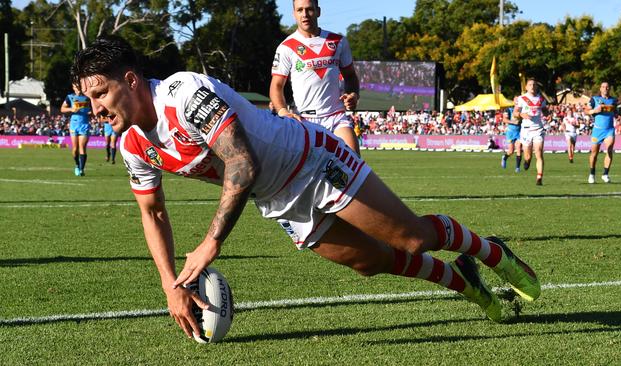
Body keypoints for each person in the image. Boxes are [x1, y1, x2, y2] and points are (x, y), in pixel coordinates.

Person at [72, 36, 541, 340]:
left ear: (129, 81)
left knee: (412, 238)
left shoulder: (183, 92)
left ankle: (491, 252)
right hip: (279, 200)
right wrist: (171, 286)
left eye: (98, 94)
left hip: (311, 160)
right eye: (86, 99)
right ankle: (470, 287)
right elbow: (152, 213)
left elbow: (242, 162)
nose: (93, 108)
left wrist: (210, 244)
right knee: (372, 263)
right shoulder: (134, 145)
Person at [269, 0, 360, 154]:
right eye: (299, 10)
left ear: (318, 11)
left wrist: (353, 95)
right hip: (305, 121)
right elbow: (276, 86)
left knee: (354, 166)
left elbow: (350, 76)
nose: (304, 14)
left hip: (336, 117)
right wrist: (283, 111)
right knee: (307, 176)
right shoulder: (286, 47)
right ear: (294, 14)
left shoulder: (338, 42)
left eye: (309, 9)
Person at [514, 79, 548, 185]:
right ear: (526, 87)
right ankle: (527, 160)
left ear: (536, 87)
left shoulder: (541, 99)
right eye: (530, 85)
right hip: (526, 130)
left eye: (534, 84)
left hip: (538, 129)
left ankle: (539, 177)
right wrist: (521, 114)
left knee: (538, 151)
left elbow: (545, 110)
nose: (532, 86)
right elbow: (515, 112)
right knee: (528, 155)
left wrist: (548, 114)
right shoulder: (522, 99)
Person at [586, 82, 617, 184]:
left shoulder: (613, 100)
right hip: (598, 130)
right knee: (594, 153)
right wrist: (595, 110)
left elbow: (616, 112)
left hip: (609, 129)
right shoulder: (594, 99)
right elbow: (587, 111)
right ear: (600, 88)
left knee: (609, 149)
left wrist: (618, 111)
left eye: (607, 87)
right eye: (603, 87)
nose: (605, 88)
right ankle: (592, 174)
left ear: (609, 88)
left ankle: (605, 174)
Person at [60, 84, 92, 176]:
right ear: (73, 88)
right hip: (74, 124)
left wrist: (90, 112)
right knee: (75, 149)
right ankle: (77, 165)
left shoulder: (87, 97)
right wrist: (71, 109)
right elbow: (62, 109)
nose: (78, 89)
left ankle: (82, 169)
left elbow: (93, 109)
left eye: (79, 87)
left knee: (82, 147)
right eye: (76, 87)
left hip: (84, 124)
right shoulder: (70, 97)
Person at [500, 105, 522, 173]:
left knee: (519, 148)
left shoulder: (522, 110)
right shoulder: (508, 110)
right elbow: (504, 119)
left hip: (519, 132)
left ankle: (517, 168)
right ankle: (504, 157)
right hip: (510, 132)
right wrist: (513, 122)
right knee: (511, 151)